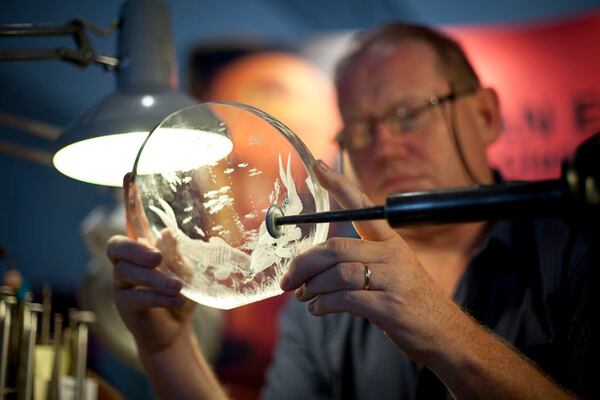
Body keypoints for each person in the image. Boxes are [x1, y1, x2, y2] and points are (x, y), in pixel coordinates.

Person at [106, 22, 593, 399]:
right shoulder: (328, 278)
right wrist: (167, 349)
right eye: (360, 131)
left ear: (485, 114)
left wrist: (443, 330)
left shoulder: (576, 243)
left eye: (408, 115)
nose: (384, 147)